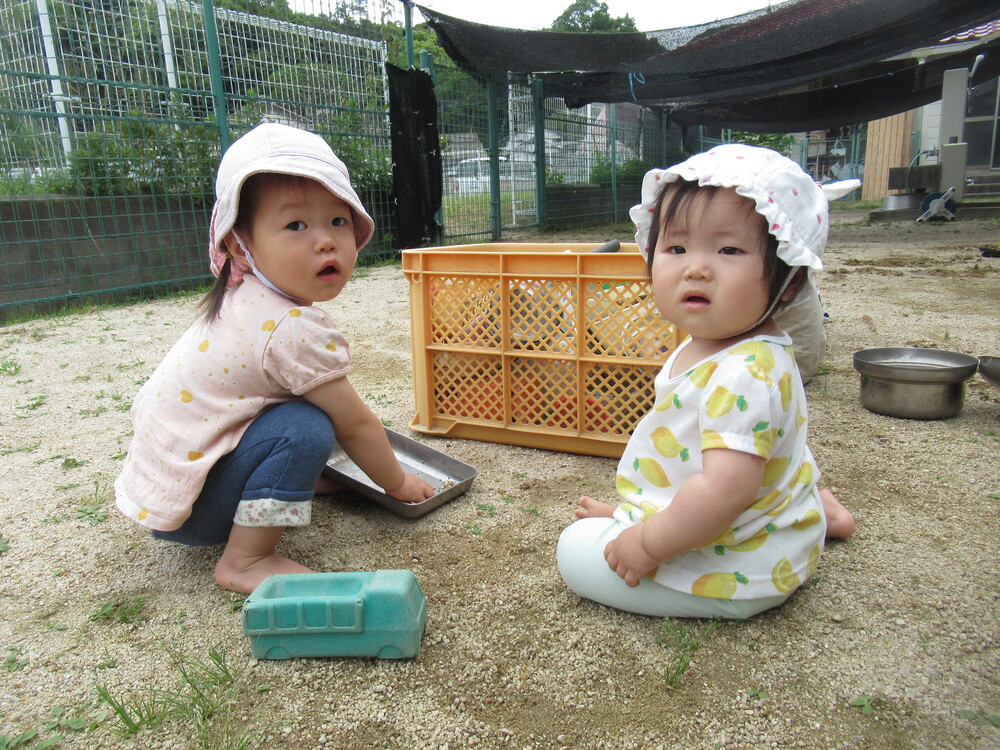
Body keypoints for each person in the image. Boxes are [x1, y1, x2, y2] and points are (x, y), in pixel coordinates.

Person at [114, 123, 434, 594]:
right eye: (296, 225)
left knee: (295, 410)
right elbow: (356, 425)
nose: (325, 241)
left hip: (176, 487)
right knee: (308, 427)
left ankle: (292, 480)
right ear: (240, 245)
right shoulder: (287, 327)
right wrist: (398, 482)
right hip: (196, 510)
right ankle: (247, 558)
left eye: (338, 221)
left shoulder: (245, 296)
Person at [557, 144, 855, 619]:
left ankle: (804, 523)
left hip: (744, 568)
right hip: (753, 518)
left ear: (790, 282)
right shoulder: (724, 340)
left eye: (729, 249)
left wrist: (646, 541)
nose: (696, 267)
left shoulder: (743, 375)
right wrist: (629, 516)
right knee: (748, 451)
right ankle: (815, 513)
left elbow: (721, 493)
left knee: (573, 551)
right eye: (676, 248)